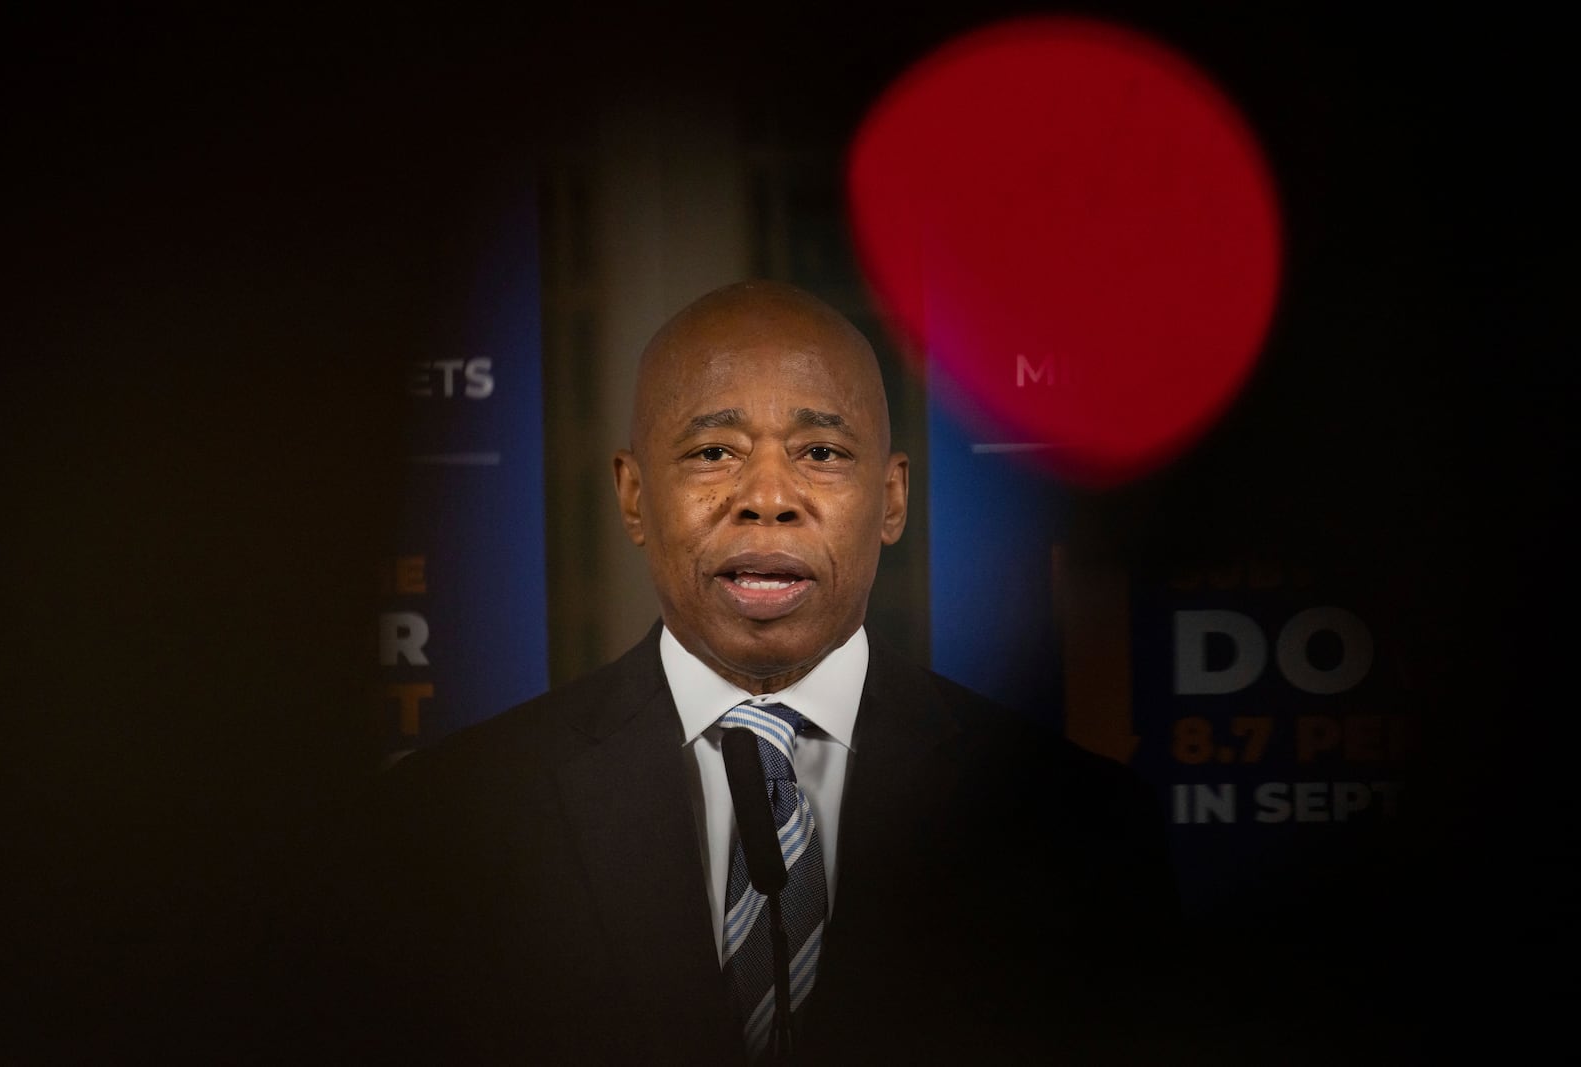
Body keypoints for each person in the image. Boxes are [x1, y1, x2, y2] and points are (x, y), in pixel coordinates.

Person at [321, 281, 1176, 1065]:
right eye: (714, 452)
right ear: (631, 496)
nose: (768, 494)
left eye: (821, 452)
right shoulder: (448, 827)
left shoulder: (1081, 826)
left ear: (891, 499)